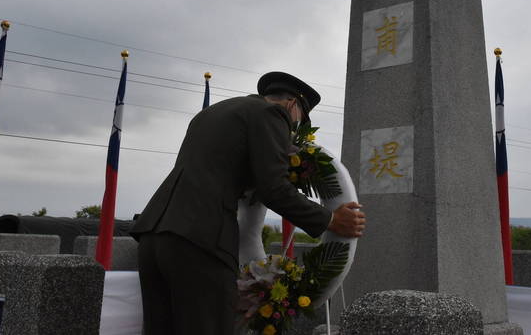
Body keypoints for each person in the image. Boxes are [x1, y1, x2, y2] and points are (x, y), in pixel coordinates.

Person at [129, 71, 366, 334]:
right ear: (292, 104)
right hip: (200, 241)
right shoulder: (271, 115)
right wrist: (331, 219)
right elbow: (273, 188)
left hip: (153, 235)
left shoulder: (212, 113)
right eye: (297, 121)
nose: (293, 127)